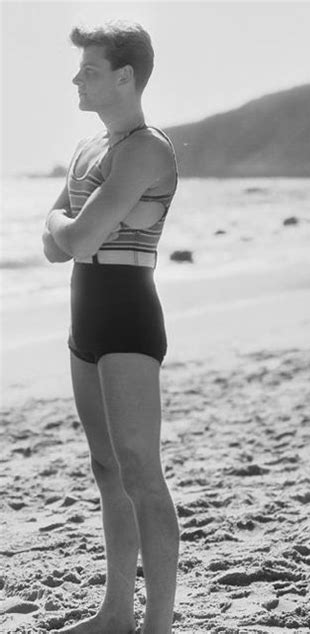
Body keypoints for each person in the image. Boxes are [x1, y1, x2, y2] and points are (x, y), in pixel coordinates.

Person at [42, 20, 179, 634]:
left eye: (89, 69)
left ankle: (159, 624)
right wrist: (62, 229)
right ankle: (116, 612)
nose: (77, 77)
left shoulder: (147, 148)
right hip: (85, 312)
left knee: (140, 469)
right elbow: (58, 251)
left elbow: (76, 236)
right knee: (105, 468)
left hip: (127, 311)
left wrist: (54, 216)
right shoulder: (87, 150)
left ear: (124, 76)